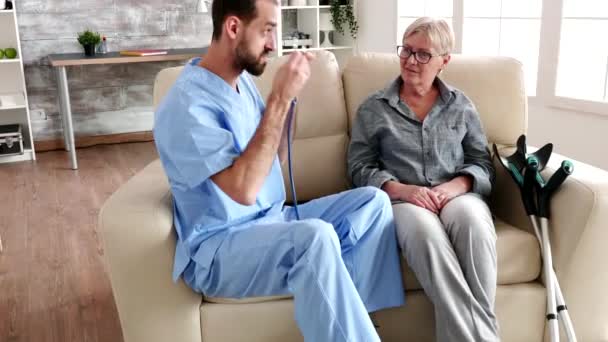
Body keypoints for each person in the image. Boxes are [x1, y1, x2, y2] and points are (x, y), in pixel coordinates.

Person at [153, 0, 405, 341]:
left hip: (275, 220)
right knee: (315, 237)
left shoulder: (240, 86)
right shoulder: (188, 103)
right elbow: (243, 189)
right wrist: (279, 99)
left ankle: (355, 318)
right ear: (233, 28)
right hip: (221, 246)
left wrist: (291, 99)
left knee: (373, 202)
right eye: (268, 30)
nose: (274, 43)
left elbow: (274, 159)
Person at [347, 17, 499, 342]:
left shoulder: (461, 106)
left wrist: (455, 187)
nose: (411, 61)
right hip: (403, 201)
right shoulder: (374, 109)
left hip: (457, 196)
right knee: (426, 236)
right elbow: (359, 167)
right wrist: (403, 189)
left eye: (423, 54)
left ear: (444, 61)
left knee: (474, 224)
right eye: (406, 51)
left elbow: (482, 163)